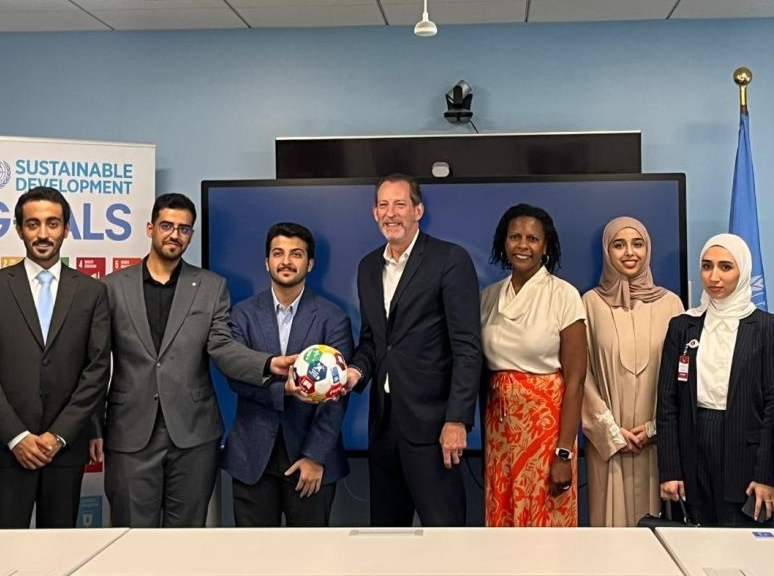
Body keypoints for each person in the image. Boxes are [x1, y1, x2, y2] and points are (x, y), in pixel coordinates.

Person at [91, 193, 291, 527]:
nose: (175, 235)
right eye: (167, 226)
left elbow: (222, 347)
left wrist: (268, 363)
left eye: (184, 229)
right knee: (130, 539)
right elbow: (96, 362)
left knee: (186, 539)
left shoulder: (211, 287)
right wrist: (95, 426)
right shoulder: (111, 287)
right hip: (129, 433)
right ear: (151, 228)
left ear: (191, 235)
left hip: (194, 435)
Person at [0, 187, 110, 528]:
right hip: (7, 449)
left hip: (65, 449)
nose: (43, 233)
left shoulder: (92, 292)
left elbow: (96, 370)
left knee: (59, 551)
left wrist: (58, 435)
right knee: (4, 551)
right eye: (33, 224)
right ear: (19, 229)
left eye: (52, 223)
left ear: (66, 228)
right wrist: (17, 436)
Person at [345, 174, 482, 526]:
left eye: (400, 204)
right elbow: (374, 340)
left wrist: (457, 420)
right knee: (387, 536)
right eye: (383, 205)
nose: (391, 213)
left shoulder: (450, 259)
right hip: (383, 425)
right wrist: (354, 373)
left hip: (434, 427)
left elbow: (467, 347)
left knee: (445, 535)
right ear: (374, 213)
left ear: (418, 210)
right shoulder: (367, 267)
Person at [223, 222, 354, 527]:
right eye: (278, 253)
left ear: (310, 263)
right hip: (251, 458)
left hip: (310, 461)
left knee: (310, 553)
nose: (286, 261)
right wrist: (282, 391)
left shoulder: (333, 318)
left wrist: (315, 456)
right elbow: (236, 378)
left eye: (296, 254)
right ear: (266, 261)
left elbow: (338, 396)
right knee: (255, 553)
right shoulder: (242, 315)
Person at [656, 233, 774, 526]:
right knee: (695, 542)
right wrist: (670, 470)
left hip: (746, 457)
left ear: (743, 271)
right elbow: (667, 403)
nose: (714, 276)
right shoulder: (683, 326)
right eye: (707, 266)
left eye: (725, 267)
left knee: (743, 544)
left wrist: (766, 474)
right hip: (693, 450)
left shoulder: (767, 327)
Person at [480, 203, 586, 527]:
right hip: (499, 429)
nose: (523, 245)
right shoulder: (488, 297)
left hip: (546, 430)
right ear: (504, 242)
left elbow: (576, 380)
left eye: (533, 238)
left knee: (544, 523)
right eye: (515, 237)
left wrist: (564, 453)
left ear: (545, 246)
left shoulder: (564, 295)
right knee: (503, 516)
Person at [582, 216, 684, 527]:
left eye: (637, 244)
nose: (629, 252)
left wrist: (655, 429)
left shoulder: (671, 304)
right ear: (607, 251)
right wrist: (611, 431)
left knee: (657, 532)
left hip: (657, 446)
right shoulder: (590, 304)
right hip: (608, 446)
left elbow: (683, 378)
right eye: (619, 245)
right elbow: (580, 375)